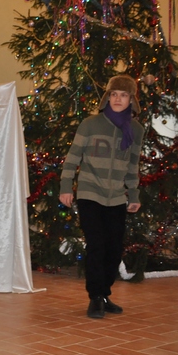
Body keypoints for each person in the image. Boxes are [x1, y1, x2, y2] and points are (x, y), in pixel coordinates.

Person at [59, 74, 144, 319]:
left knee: (114, 249)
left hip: (116, 196)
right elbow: (72, 159)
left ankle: (104, 294)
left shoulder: (136, 130)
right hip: (90, 192)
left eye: (124, 95)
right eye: (114, 94)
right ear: (107, 97)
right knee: (96, 245)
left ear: (131, 100)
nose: (118, 99)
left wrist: (134, 193)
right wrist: (66, 187)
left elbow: (133, 166)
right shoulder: (90, 124)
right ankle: (95, 297)